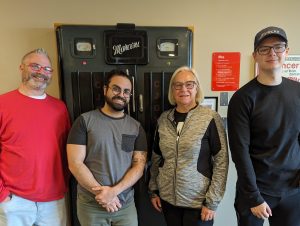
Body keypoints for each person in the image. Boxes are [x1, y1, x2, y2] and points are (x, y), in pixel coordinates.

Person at [227, 26, 300, 226]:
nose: (272, 53)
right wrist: (253, 196)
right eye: (264, 49)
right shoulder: (242, 98)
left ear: (286, 51)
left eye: (278, 47)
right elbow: (240, 152)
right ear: (255, 56)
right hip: (256, 192)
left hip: (293, 191)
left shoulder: (297, 92)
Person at [148, 66, 229, 226]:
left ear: (196, 87)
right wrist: (153, 190)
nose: (183, 89)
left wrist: (212, 201)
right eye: (177, 85)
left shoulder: (210, 118)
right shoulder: (164, 119)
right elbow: (156, 157)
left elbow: (222, 161)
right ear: (172, 89)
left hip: (198, 203)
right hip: (168, 200)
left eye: (189, 84)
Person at [67, 69, 147, 226]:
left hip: (125, 205)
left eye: (126, 91)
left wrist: (113, 193)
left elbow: (139, 165)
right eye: (116, 88)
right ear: (106, 89)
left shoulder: (136, 127)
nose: (121, 94)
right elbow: (75, 164)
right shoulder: (84, 121)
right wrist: (103, 196)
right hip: (91, 205)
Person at [0, 48, 70, 226]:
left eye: (47, 69)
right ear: (21, 67)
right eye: (35, 66)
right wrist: (2, 195)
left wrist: (63, 187)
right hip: (14, 201)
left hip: (53, 202)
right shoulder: (2, 104)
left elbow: (67, 152)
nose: (41, 72)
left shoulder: (60, 108)